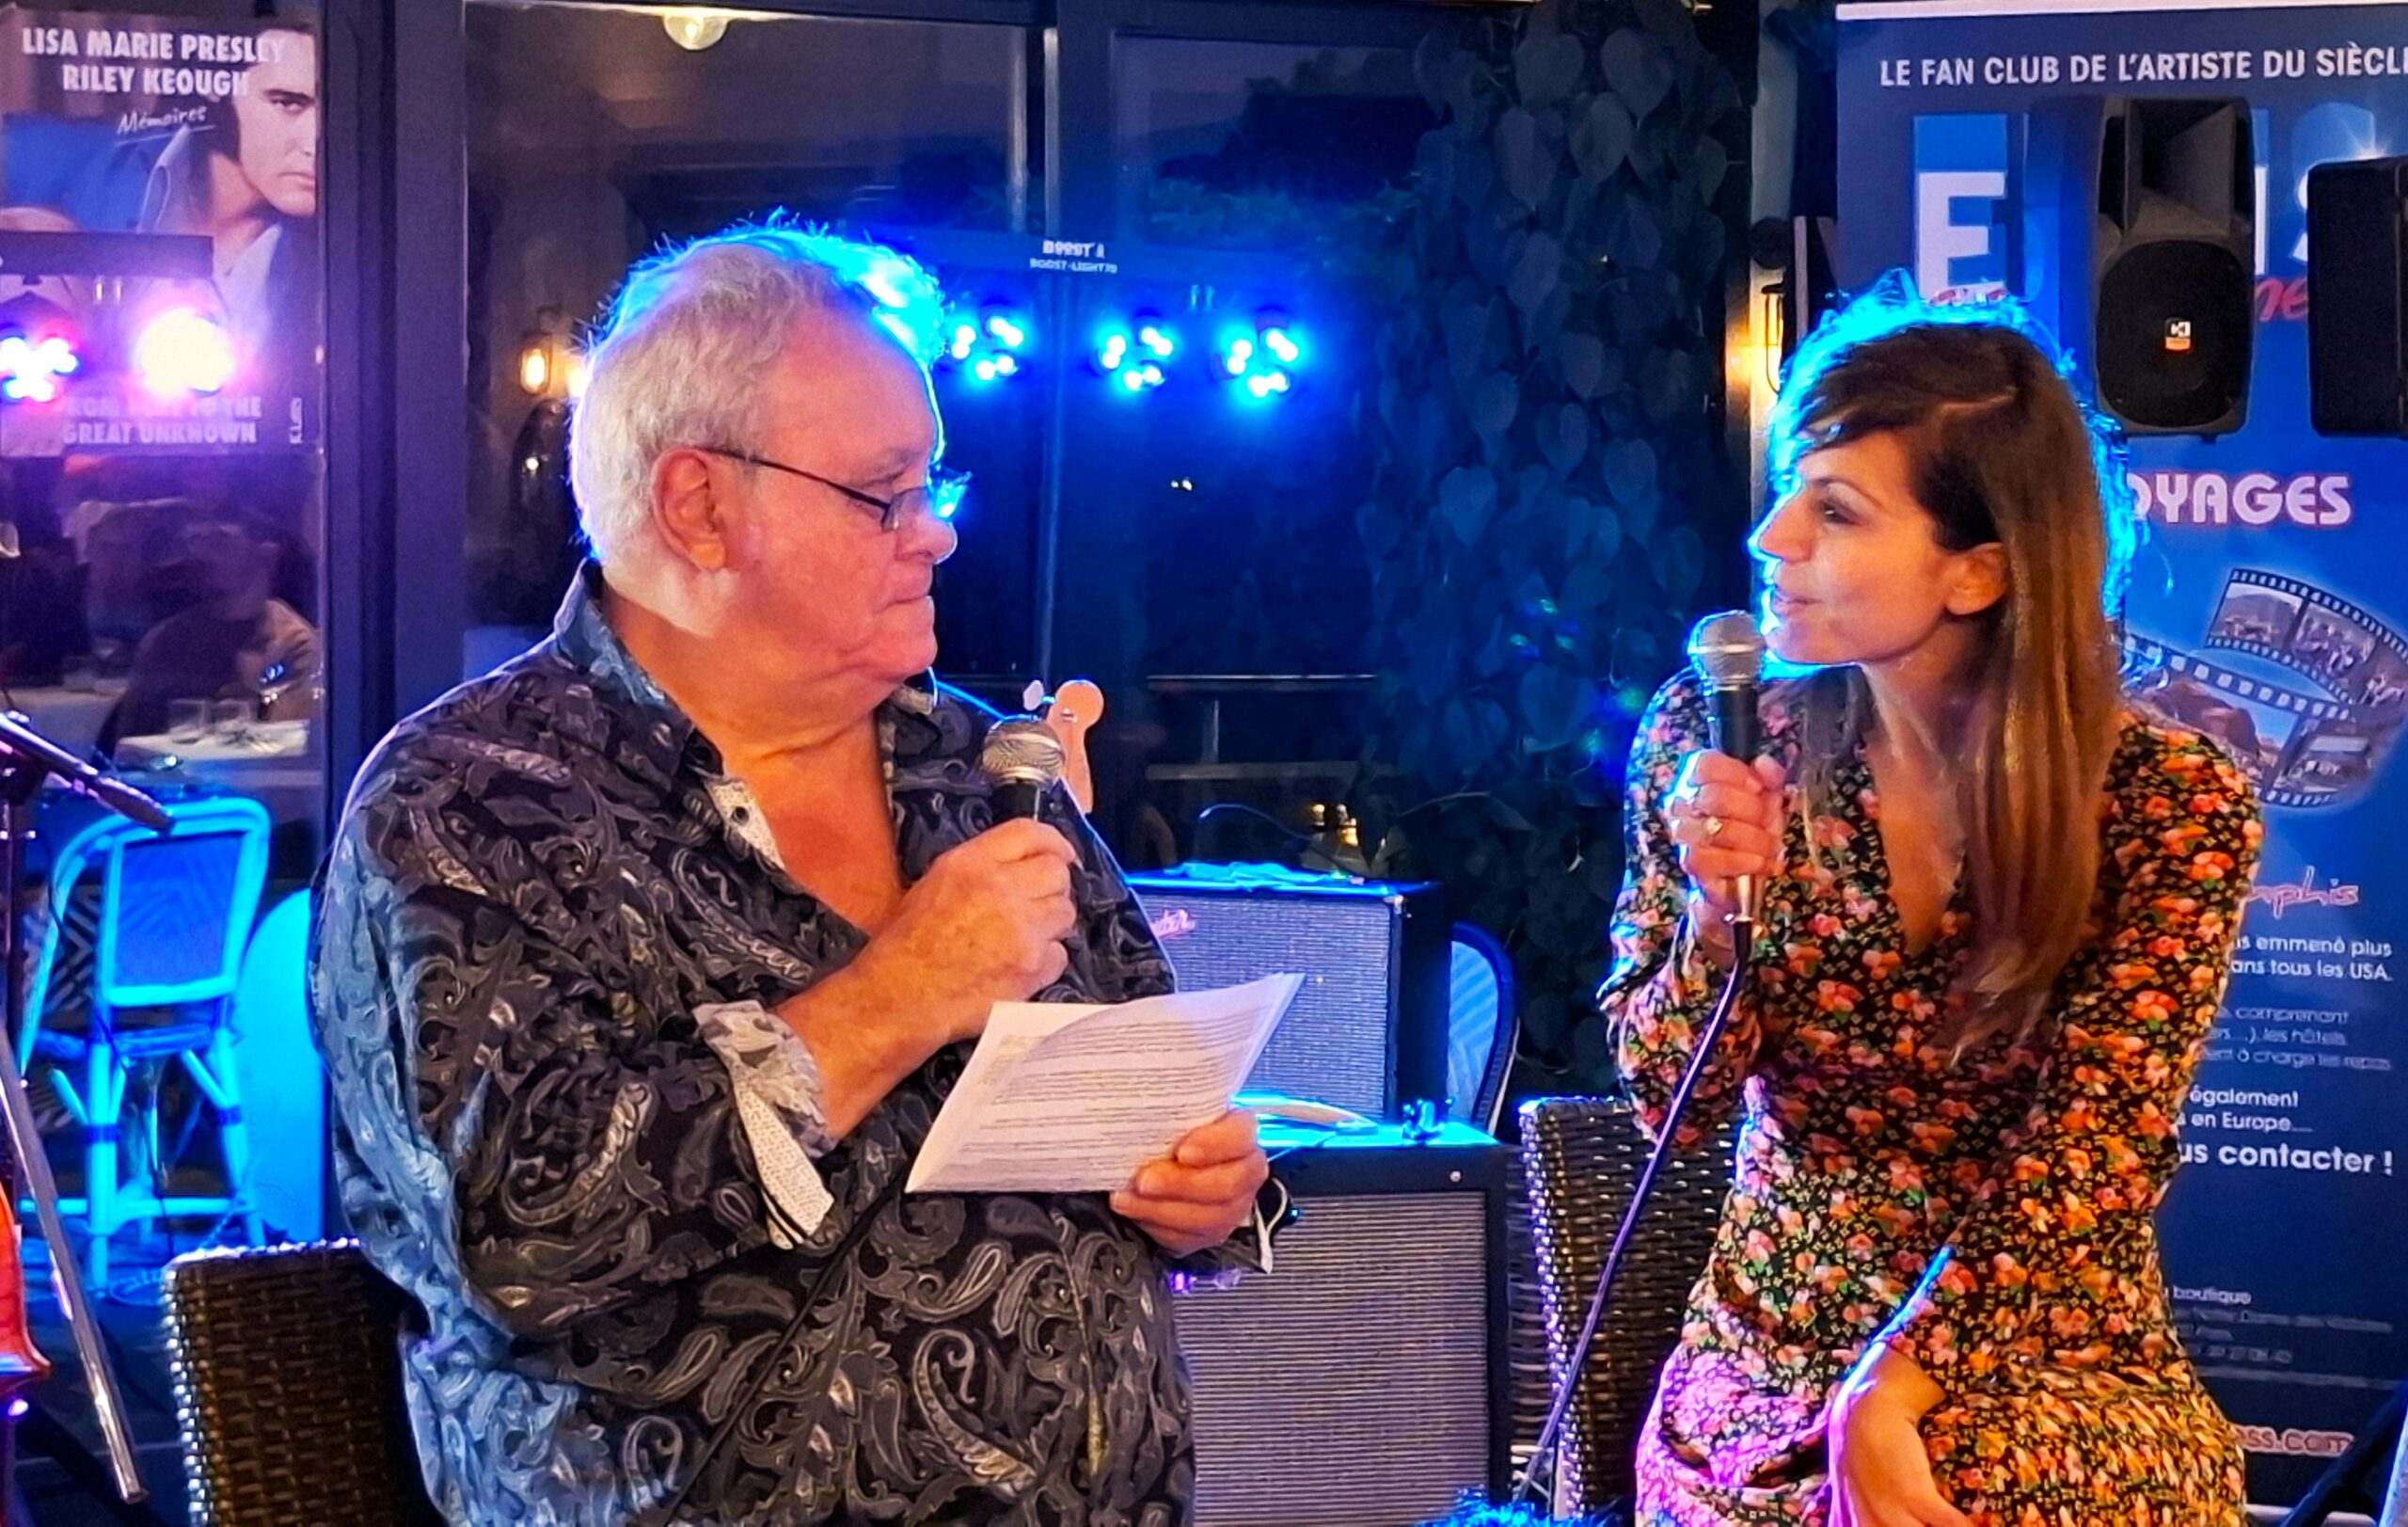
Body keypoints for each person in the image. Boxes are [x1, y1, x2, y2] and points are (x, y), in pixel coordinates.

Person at [309, 224, 1279, 1526]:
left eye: (935, 483)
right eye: (886, 494)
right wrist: (898, 994)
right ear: (700, 506)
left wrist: (1206, 1191)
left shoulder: (977, 764)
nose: (937, 534)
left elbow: (1147, 1086)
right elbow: (520, 1235)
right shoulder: (472, 800)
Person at [1599, 287, 2261, 1527]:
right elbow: (1662, 1103)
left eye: (1835, 510)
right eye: (1789, 488)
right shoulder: (1716, 732)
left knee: (1989, 1478)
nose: (1770, 536)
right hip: (1773, 1335)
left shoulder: (2167, 800)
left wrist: (1894, 1388)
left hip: (2045, 1330)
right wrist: (1712, 917)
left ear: (1978, 572)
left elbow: (2095, 1154)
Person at [110, 501, 319, 741]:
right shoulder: (167, 640)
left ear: (267, 552)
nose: (203, 553)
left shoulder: (289, 643)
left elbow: (287, 746)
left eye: (220, 540)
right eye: (195, 540)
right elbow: (130, 741)